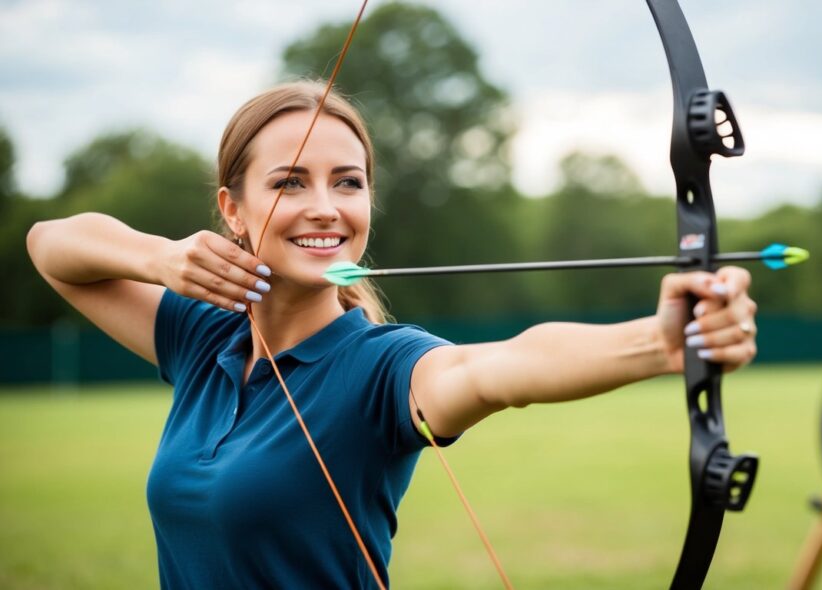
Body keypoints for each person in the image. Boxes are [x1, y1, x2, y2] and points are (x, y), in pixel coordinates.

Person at [26, 81, 759, 588]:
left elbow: (496, 369)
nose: (326, 207)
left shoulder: (379, 369)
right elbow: (52, 246)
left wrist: (660, 343)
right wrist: (158, 258)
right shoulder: (199, 337)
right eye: (289, 182)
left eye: (348, 182)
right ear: (232, 208)